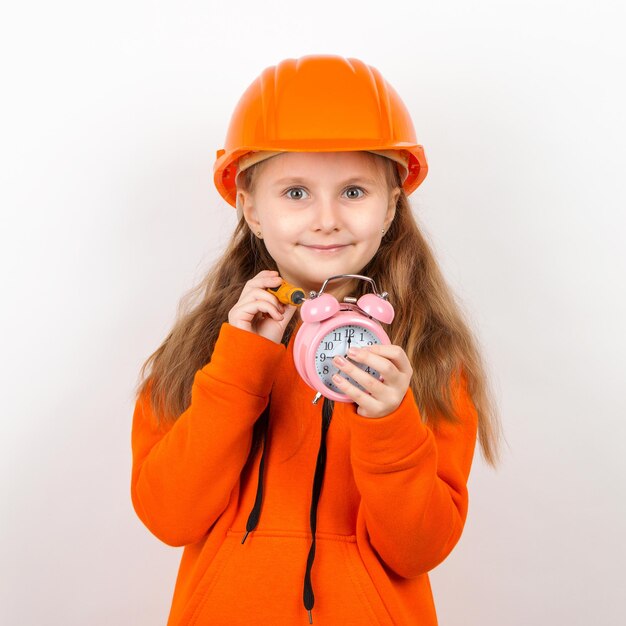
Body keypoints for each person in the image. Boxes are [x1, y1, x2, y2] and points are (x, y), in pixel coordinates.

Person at [130, 54, 503, 626]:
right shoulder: (202, 353)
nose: (326, 218)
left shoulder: (427, 359)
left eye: (354, 191)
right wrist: (238, 367)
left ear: (391, 207)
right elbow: (169, 517)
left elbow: (419, 550)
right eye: (296, 192)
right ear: (250, 208)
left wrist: (390, 421)